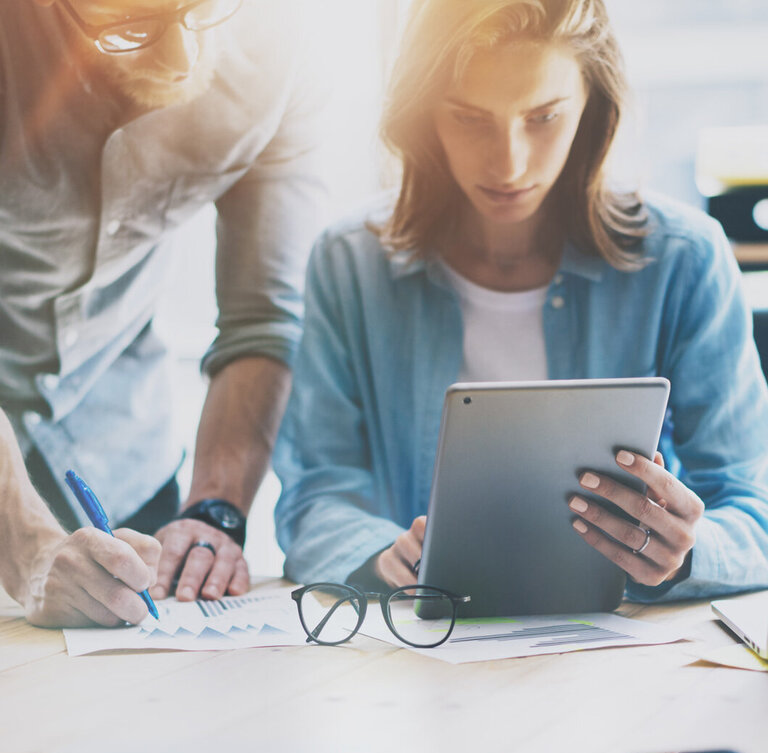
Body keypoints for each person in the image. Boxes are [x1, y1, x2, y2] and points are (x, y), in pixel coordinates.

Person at [272, 0, 768, 602]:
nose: (508, 163)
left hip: (621, 651)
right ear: (423, 115)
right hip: (419, 655)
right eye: (469, 119)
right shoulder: (350, 263)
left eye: (543, 116)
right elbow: (313, 497)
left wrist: (688, 553)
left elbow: (755, 513)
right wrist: (380, 555)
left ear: (591, 109)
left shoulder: (685, 259)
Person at [0, 0, 328, 626]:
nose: (182, 59)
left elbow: (264, 314)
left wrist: (215, 509)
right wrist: (26, 548)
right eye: (132, 24)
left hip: (126, 465)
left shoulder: (282, 39)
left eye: (203, 10)